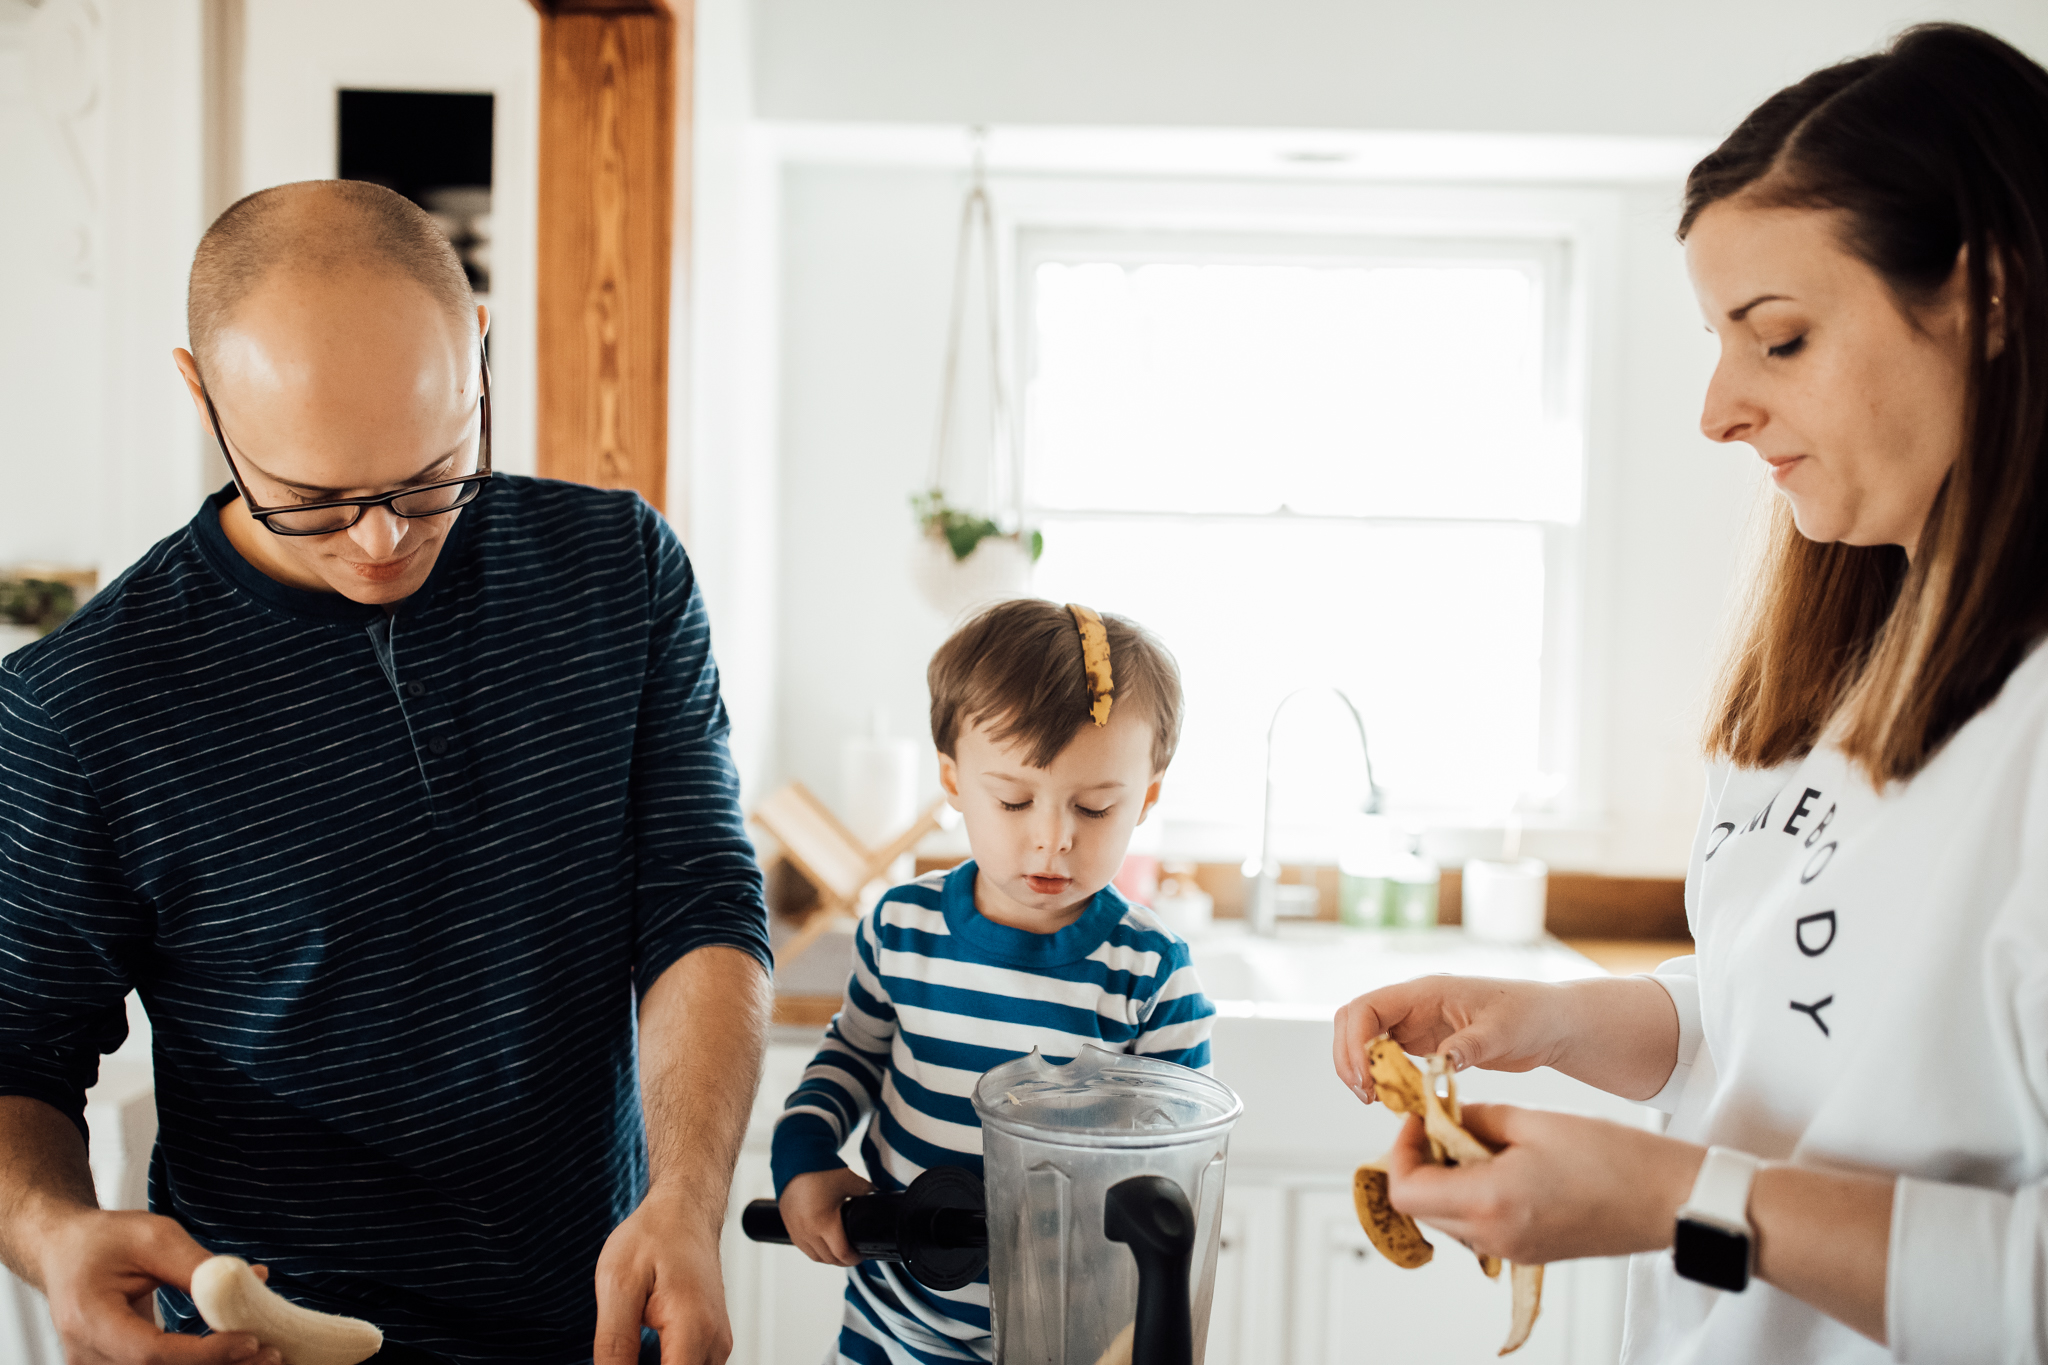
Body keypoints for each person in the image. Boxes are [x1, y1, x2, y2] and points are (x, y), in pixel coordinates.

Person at [1330, 23, 2048, 1363]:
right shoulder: (1850, 668)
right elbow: (1783, 1011)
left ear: (1993, 296)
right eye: (1721, 338)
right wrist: (1551, 1023)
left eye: (1778, 340)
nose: (1719, 408)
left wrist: (1671, 1197)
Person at [0, 181, 773, 1365]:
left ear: (476, 350)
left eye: (432, 475)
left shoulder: (618, 572)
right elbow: (18, 1052)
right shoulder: (80, 707)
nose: (381, 540)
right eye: (312, 500)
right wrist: (53, 1231)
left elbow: (699, 908)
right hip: (273, 1338)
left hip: (604, 1319)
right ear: (201, 396)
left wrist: (686, 1197)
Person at [770, 598, 1214, 1364]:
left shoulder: (1151, 974)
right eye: (1013, 799)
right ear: (952, 778)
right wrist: (802, 1152)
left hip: (1065, 1338)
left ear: (1145, 797)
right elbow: (850, 1055)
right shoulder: (902, 928)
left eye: (1096, 806)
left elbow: (1171, 1184)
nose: (1052, 836)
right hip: (891, 1325)